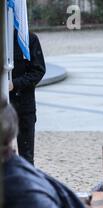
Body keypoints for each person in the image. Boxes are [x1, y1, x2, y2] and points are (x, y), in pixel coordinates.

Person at [9, 30, 46, 165]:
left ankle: (26, 184)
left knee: (26, 158)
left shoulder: (28, 39)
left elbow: (38, 70)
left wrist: (14, 84)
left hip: (23, 104)